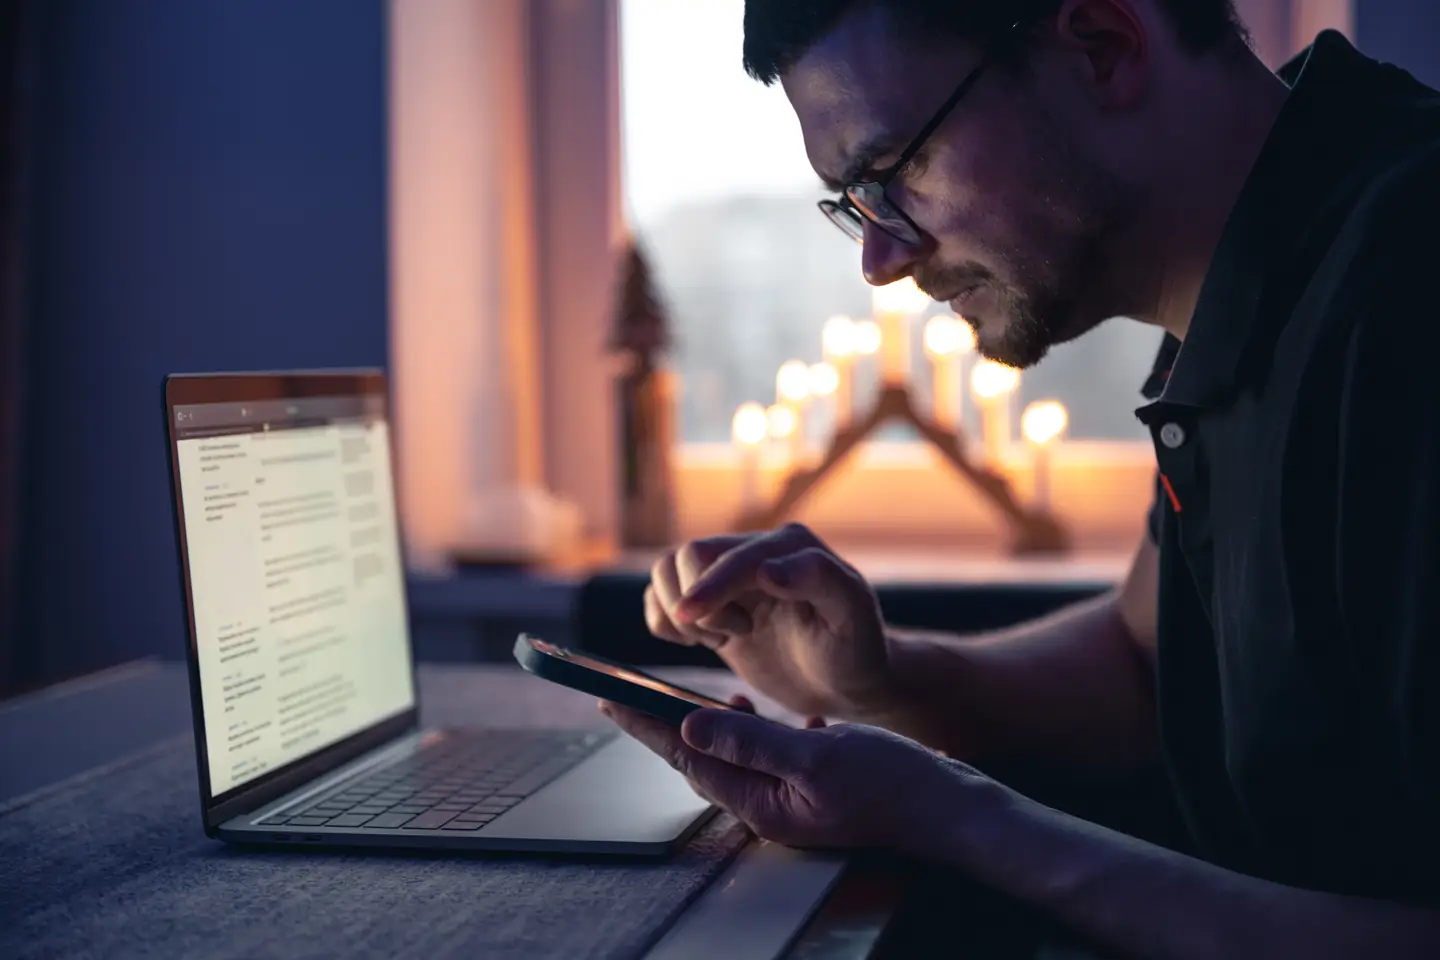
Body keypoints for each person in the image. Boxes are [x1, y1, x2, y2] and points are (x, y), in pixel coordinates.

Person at [599, 0, 1440, 955]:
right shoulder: (1245, 274)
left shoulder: (1411, 289)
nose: (881, 259)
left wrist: (957, 818)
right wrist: (881, 681)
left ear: (1102, 46)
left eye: (894, 172)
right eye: (854, 206)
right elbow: (1147, 663)